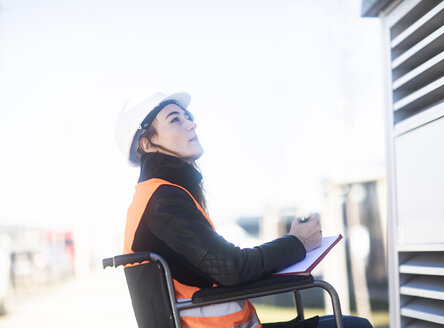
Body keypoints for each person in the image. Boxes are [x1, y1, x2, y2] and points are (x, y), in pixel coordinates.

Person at [114, 91, 372, 328]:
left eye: (188, 118)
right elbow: (232, 268)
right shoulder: (163, 201)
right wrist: (297, 242)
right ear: (147, 144)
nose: (191, 124)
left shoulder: (162, 195)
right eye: (175, 120)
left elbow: (225, 267)